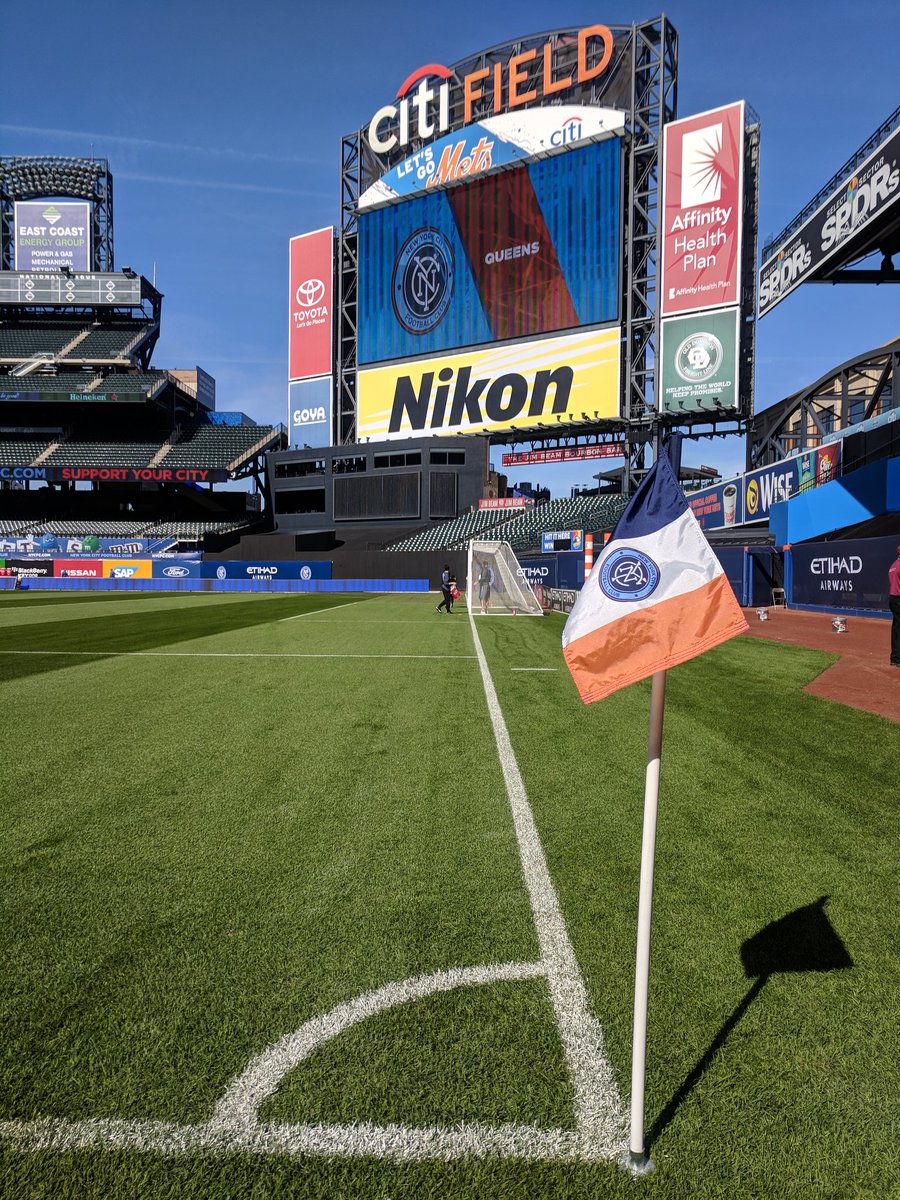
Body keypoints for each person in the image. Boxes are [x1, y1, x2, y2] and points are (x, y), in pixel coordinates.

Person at [889, 545, 900, 666]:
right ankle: (897, 659)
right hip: (898, 598)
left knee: (896, 628)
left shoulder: (893, 566)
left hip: (893, 599)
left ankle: (895, 658)